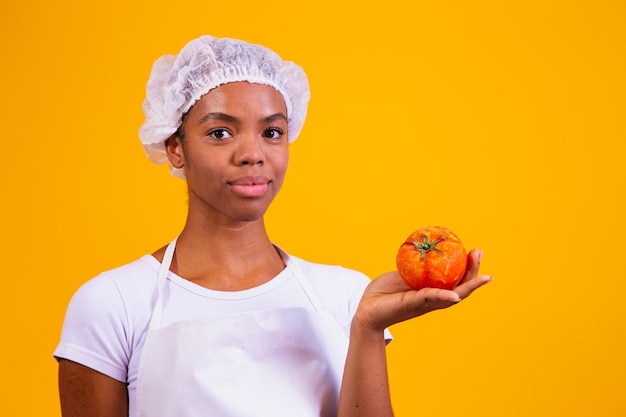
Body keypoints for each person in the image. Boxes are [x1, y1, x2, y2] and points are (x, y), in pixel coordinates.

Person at [54, 35, 492, 417]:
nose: (252, 154)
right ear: (174, 148)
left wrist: (368, 328)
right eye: (221, 132)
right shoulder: (113, 305)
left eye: (272, 132)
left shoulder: (344, 296)